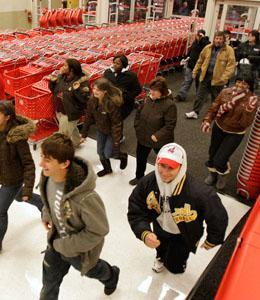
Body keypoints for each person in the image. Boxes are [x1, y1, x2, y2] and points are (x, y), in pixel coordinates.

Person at [39, 133, 120, 299]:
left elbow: (99, 230)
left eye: (47, 160)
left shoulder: (86, 197)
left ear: (64, 163)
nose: (41, 163)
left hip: (78, 251)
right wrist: (47, 213)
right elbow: (49, 200)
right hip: (54, 242)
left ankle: (112, 275)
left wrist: (66, 246)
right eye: (42, 157)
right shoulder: (48, 178)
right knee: (49, 283)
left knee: (93, 271)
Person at [128, 143, 228, 274]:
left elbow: (217, 215)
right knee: (160, 247)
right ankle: (160, 257)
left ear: (181, 168)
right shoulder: (148, 182)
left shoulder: (199, 192)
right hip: (159, 225)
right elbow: (136, 208)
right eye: (162, 165)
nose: (164, 172)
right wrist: (144, 232)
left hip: (184, 233)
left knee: (176, 263)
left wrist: (213, 238)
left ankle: (179, 264)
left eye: (171, 168)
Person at [201, 74, 259, 190]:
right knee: (212, 154)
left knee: (221, 159)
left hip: (235, 133)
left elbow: (245, 124)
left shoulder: (251, 100)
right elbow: (214, 108)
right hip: (219, 127)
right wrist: (207, 120)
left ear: (249, 86)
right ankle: (213, 174)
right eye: (238, 81)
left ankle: (223, 174)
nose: (240, 85)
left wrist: (248, 111)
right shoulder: (226, 92)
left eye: (244, 83)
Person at [0, 101, 43, 252]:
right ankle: (43, 204)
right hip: (3, 174)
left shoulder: (16, 138)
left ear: (8, 117)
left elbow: (29, 164)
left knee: (1, 210)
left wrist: (28, 187)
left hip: (12, 179)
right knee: (20, 197)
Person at [129, 77, 177, 186]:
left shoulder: (170, 105)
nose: (151, 92)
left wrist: (157, 135)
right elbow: (138, 113)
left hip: (159, 140)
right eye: (151, 89)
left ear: (162, 91)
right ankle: (139, 177)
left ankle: (167, 180)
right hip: (143, 136)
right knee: (141, 158)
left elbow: (170, 125)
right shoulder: (148, 99)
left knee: (164, 162)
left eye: (155, 91)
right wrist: (137, 126)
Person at [81, 78, 128, 177]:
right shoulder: (92, 100)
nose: (95, 91)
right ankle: (107, 169)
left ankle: (122, 156)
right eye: (94, 89)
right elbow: (88, 117)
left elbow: (116, 124)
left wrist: (116, 142)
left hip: (112, 132)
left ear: (105, 91)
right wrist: (84, 134)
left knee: (108, 153)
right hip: (101, 129)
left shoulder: (112, 104)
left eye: (98, 90)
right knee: (100, 152)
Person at [185, 31, 236, 119]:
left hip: (218, 78)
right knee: (200, 95)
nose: (218, 40)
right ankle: (195, 112)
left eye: (220, 39)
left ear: (224, 40)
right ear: (214, 39)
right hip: (205, 76)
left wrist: (224, 78)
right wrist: (195, 71)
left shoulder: (229, 50)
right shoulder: (207, 48)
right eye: (216, 38)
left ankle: (214, 114)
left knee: (216, 98)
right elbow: (200, 60)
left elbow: (231, 66)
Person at [49, 58, 90, 148]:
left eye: (65, 65)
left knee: (62, 136)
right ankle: (77, 142)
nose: (62, 67)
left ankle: (62, 153)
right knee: (71, 127)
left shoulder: (82, 82)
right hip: (60, 108)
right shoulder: (62, 77)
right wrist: (52, 82)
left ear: (71, 69)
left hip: (71, 112)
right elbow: (54, 90)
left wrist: (76, 89)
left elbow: (84, 99)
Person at [175, 29, 210, 102]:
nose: (198, 36)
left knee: (199, 83)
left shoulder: (206, 43)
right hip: (191, 65)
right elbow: (191, 51)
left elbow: (207, 45)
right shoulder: (195, 42)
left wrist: (203, 38)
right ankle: (181, 96)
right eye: (198, 35)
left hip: (200, 67)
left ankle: (200, 97)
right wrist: (185, 58)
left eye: (200, 35)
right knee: (187, 81)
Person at [103, 54, 142, 120]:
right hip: (109, 103)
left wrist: (125, 96)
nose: (114, 65)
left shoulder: (131, 76)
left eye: (118, 63)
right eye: (114, 62)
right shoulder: (108, 73)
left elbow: (137, 90)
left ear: (124, 66)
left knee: (117, 124)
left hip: (123, 106)